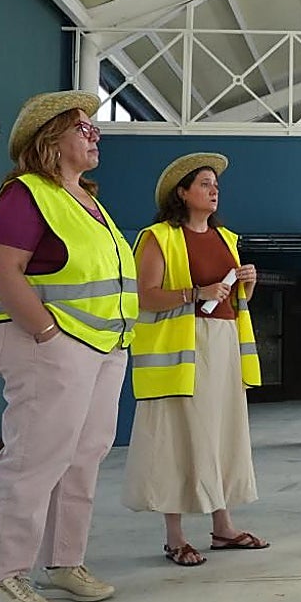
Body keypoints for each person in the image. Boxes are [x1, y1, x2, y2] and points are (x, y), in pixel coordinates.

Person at [0, 91, 138, 602]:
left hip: (103, 347)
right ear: (51, 137)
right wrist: (46, 334)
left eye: (95, 128)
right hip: (53, 347)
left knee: (83, 456)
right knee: (33, 458)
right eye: (84, 128)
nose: (96, 135)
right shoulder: (27, 193)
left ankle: (63, 562)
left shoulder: (86, 200)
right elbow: (0, 268)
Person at [123, 153, 269, 566]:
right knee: (179, 437)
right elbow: (144, 295)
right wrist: (194, 293)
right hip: (181, 351)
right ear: (182, 192)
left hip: (223, 346)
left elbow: (232, 304)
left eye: (216, 184)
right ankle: (175, 537)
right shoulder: (158, 237)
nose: (214, 189)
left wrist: (248, 285)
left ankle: (223, 527)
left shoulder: (228, 239)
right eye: (205, 183)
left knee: (221, 433)